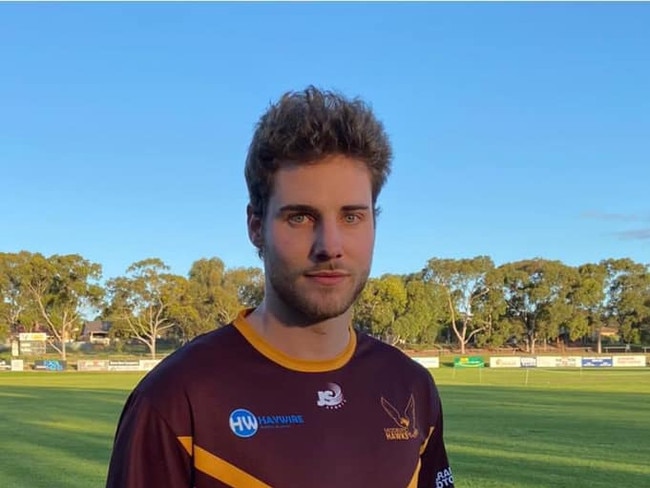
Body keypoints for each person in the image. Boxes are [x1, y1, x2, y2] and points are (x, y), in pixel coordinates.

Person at [106, 86, 454, 488]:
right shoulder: (176, 399)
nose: (330, 246)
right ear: (256, 227)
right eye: (300, 217)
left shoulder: (411, 386)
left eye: (352, 217)